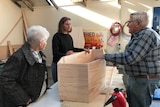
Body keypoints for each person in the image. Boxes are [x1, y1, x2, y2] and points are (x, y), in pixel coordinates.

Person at [95, 11, 160, 107]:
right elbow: (130, 55)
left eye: (129, 22)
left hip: (143, 81)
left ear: (138, 23)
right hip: (138, 79)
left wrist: (105, 56)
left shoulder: (146, 35)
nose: (128, 25)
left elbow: (131, 57)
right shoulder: (138, 35)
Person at [0, 25, 50, 107]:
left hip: (38, 99)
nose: (46, 43)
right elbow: (6, 79)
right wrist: (23, 98)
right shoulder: (18, 57)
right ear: (41, 43)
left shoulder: (37, 53)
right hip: (26, 102)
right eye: (46, 40)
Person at [52, 17, 89, 83]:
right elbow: (55, 53)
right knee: (57, 84)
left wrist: (83, 49)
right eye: (67, 24)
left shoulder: (69, 37)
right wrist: (65, 54)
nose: (69, 26)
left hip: (66, 63)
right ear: (62, 25)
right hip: (57, 64)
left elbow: (72, 49)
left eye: (70, 24)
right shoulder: (56, 37)